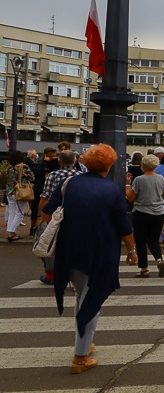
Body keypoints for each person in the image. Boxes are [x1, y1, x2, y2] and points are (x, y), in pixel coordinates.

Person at [43, 144, 137, 374]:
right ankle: (80, 357)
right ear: (109, 164)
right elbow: (123, 225)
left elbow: (47, 210)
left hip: (69, 249)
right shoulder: (113, 189)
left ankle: (83, 343)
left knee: (81, 296)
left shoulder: (70, 183)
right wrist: (132, 250)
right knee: (91, 302)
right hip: (99, 252)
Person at [36, 150, 81, 284]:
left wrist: (41, 215)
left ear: (59, 161)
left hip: (55, 216)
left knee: (49, 243)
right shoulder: (81, 175)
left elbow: (45, 197)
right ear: (75, 161)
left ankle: (51, 275)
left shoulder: (53, 175)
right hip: (77, 215)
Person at [126, 154, 164, 278]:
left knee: (140, 241)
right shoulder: (161, 178)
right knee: (153, 240)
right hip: (159, 212)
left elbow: (131, 197)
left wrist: (128, 184)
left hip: (142, 212)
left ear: (143, 165)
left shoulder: (139, 179)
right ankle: (159, 260)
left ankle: (144, 269)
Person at [6, 150, 35, 242]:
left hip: (10, 192)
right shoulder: (23, 167)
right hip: (20, 192)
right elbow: (32, 177)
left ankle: (10, 231)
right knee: (20, 213)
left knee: (12, 212)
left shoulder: (9, 168)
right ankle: (12, 233)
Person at [28, 147, 57, 236]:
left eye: (54, 156)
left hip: (49, 189)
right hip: (39, 189)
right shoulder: (38, 163)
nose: (52, 158)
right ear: (45, 155)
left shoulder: (55, 163)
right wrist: (44, 163)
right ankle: (33, 227)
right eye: (50, 156)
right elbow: (35, 172)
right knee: (35, 209)